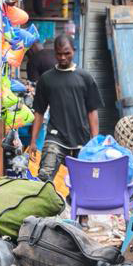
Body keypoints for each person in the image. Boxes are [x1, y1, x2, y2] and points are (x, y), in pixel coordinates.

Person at [26, 35, 102, 181]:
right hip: (55, 137)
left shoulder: (85, 77)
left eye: (66, 53)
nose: (62, 57)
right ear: (54, 53)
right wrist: (34, 141)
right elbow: (39, 112)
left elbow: (92, 111)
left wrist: (95, 141)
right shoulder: (46, 79)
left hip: (82, 139)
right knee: (44, 177)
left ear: (74, 51)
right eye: (59, 53)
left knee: (82, 183)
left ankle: (71, 203)